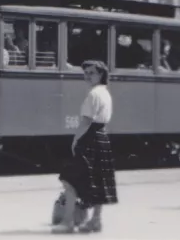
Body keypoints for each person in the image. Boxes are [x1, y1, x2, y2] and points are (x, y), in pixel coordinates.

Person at [54, 60, 117, 233]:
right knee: (97, 181)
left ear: (101, 74)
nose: (87, 76)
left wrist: (76, 140)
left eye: (92, 73)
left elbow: (86, 120)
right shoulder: (105, 92)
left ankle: (67, 223)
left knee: (69, 180)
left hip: (89, 136)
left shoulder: (93, 94)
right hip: (101, 136)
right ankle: (95, 221)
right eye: (86, 73)